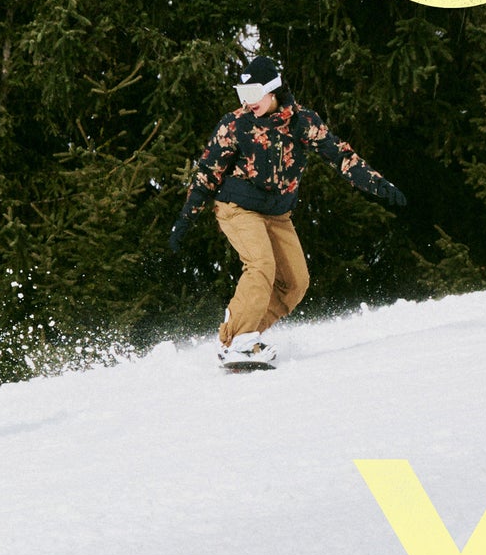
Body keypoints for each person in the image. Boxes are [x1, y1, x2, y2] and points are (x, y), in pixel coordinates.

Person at [169, 53, 407, 365]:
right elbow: (207, 174)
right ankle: (239, 337)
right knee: (261, 265)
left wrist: (379, 185)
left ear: (274, 91)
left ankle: (238, 335)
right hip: (236, 206)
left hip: (277, 213)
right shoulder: (236, 124)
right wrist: (185, 220)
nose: (248, 102)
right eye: (243, 95)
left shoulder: (302, 123)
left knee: (295, 282)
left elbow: (341, 156)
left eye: (254, 94)